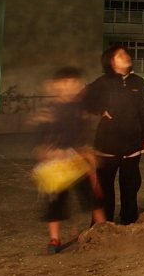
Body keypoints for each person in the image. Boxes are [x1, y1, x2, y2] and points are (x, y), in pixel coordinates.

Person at [33, 67, 106, 255]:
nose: (69, 87)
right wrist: (45, 151)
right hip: (56, 165)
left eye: (74, 83)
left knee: (93, 197)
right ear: (55, 86)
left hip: (78, 161)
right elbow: (40, 137)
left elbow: (84, 134)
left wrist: (88, 152)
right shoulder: (48, 110)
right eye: (65, 83)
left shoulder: (80, 109)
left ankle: (104, 231)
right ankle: (54, 239)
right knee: (55, 202)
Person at [83, 46, 144, 225]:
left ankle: (129, 219)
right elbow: (83, 99)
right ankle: (102, 224)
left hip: (133, 143)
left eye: (126, 53)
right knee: (105, 186)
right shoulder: (103, 82)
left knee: (131, 184)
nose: (126, 56)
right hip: (108, 143)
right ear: (111, 62)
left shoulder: (138, 82)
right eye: (119, 55)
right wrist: (100, 110)